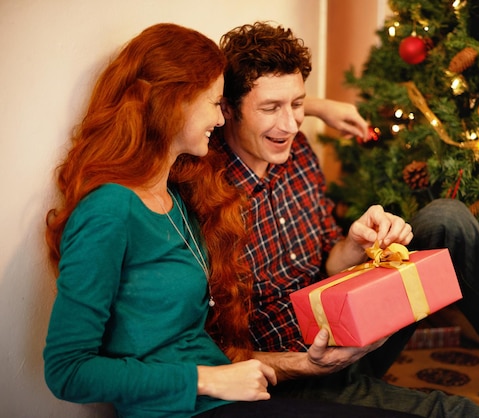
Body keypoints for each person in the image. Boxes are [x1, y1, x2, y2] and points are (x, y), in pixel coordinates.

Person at [210, 21, 479, 418]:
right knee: (459, 412)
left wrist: (356, 243)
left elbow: (327, 261)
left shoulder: (297, 151)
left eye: (297, 105)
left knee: (448, 218)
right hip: (295, 376)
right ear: (226, 109)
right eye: (271, 108)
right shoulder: (202, 190)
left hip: (346, 331)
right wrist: (303, 364)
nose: (291, 124)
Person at [42, 22, 422, 418]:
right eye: (213, 104)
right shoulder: (110, 209)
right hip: (203, 401)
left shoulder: (175, 194)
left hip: (244, 385)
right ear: (173, 106)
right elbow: (67, 371)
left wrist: (319, 107)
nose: (220, 119)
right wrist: (208, 380)